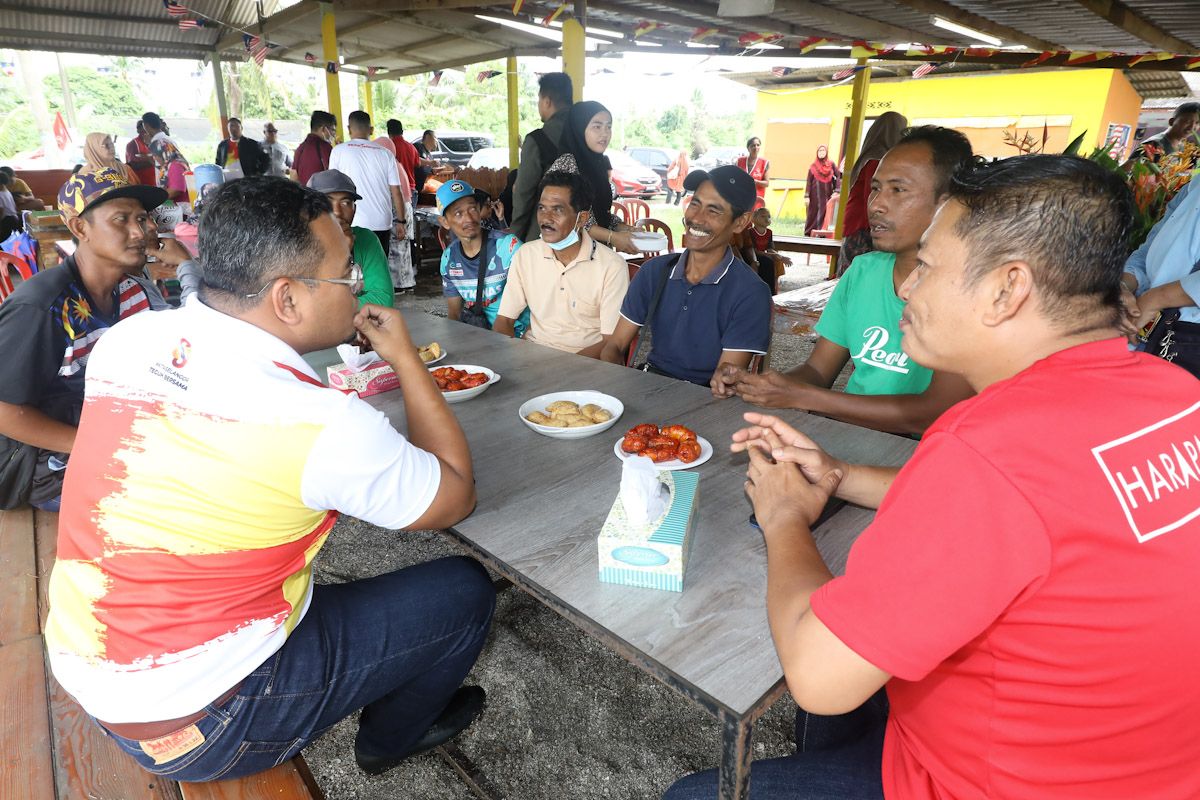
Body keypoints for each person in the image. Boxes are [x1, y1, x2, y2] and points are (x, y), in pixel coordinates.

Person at [665, 154, 1200, 800]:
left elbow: (815, 674)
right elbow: (1041, 517)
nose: (908, 287)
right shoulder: (1176, 395)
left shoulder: (987, 452)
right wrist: (839, 474)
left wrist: (783, 516)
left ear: (1008, 289)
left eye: (930, 266)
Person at [44, 176, 494, 783]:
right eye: (345, 275)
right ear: (287, 299)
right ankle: (392, 738)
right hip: (205, 724)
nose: (357, 285)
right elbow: (455, 494)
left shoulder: (131, 340)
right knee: (465, 591)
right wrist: (407, 360)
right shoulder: (323, 422)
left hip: (87, 663)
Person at [718, 127, 976, 437]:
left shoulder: (971, 289)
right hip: (848, 435)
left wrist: (805, 397)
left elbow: (930, 414)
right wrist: (768, 386)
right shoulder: (863, 271)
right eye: (876, 189)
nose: (876, 204)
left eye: (898, 190)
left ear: (949, 204)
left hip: (918, 455)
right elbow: (817, 370)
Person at [0, 169, 184, 511]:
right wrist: (97, 445)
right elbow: (5, 412)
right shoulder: (44, 307)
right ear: (79, 228)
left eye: (142, 219)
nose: (139, 232)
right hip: (33, 461)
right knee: (169, 495)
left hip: (101, 427)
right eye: (121, 219)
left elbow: (182, 350)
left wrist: (188, 269)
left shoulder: (135, 292)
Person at [599, 166, 772, 389]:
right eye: (695, 204)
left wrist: (726, 381)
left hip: (704, 397)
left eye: (714, 210)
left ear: (740, 222)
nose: (696, 218)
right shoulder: (654, 272)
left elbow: (725, 377)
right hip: (648, 384)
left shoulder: (750, 292)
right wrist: (616, 381)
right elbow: (615, 345)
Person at [495, 163, 627, 357]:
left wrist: (564, 369)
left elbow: (611, 342)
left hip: (585, 365)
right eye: (542, 208)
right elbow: (504, 321)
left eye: (557, 210)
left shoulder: (612, 267)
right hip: (533, 357)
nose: (545, 219)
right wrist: (511, 361)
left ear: (581, 219)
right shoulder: (526, 255)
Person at [1122, 178, 1200, 376]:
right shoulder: (1194, 186)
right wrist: (1125, 285)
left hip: (1187, 343)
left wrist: (1157, 298)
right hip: (1145, 333)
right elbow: (1149, 251)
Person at [437, 179, 526, 336]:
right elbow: (454, 314)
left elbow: (538, 302)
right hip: (483, 339)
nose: (469, 219)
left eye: (472, 209)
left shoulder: (509, 247)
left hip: (521, 336)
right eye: (458, 213)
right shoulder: (449, 260)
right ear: (445, 222)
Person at [560, 101, 646, 255]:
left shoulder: (597, 164)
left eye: (609, 127)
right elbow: (573, 219)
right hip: (572, 256)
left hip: (598, 254)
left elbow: (600, 213)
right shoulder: (567, 164)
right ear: (580, 128)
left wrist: (625, 229)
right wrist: (613, 237)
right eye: (597, 126)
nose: (605, 133)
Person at [306, 169, 394, 308]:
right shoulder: (296, 243)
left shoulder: (366, 239)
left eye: (345, 203)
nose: (337, 211)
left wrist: (332, 308)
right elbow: (305, 306)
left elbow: (383, 298)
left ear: (355, 209)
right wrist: (340, 253)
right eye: (326, 202)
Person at [838, 111, 908, 276]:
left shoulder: (870, 154)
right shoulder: (878, 159)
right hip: (866, 228)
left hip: (860, 226)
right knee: (861, 278)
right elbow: (875, 200)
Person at [330, 110, 406, 255]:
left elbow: (333, 189)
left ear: (348, 129)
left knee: (351, 269)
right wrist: (401, 222)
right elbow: (397, 191)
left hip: (350, 222)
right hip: (381, 222)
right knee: (379, 266)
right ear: (371, 129)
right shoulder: (386, 154)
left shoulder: (338, 151)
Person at [510, 72, 572, 243]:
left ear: (547, 101)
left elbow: (524, 194)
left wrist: (515, 237)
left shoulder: (537, 140)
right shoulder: (589, 135)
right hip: (585, 235)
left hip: (545, 235)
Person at [737, 207, 791, 295]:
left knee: (776, 261)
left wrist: (780, 256)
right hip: (753, 254)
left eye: (768, 217)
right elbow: (753, 250)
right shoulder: (751, 232)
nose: (767, 219)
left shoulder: (769, 232)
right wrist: (773, 255)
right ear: (753, 219)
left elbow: (770, 248)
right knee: (768, 262)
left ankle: (772, 291)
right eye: (763, 216)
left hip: (763, 254)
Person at [1129, 101, 1199, 163]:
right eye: (1187, 121)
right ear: (1171, 122)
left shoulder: (1183, 148)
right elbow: (1126, 171)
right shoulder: (1153, 145)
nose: (1192, 127)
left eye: (1197, 123)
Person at [142, 112, 190, 203]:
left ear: (164, 153)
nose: (155, 159)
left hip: (181, 207)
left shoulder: (175, 165)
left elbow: (176, 189)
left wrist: (156, 200)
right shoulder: (169, 157)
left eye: (155, 156)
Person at [294, 110, 337, 186]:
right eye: (332, 130)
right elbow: (335, 174)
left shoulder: (300, 148)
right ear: (323, 129)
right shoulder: (325, 147)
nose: (334, 134)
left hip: (305, 194)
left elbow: (293, 175)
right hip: (323, 194)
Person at [804, 145, 839, 235]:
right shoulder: (813, 166)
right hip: (814, 194)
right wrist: (806, 196)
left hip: (827, 193)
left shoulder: (831, 164)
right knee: (813, 213)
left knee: (825, 212)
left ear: (826, 152)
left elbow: (838, 176)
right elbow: (809, 181)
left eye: (823, 150)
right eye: (819, 151)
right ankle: (809, 232)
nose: (821, 152)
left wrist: (837, 190)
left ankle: (821, 233)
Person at [386, 119, 421, 204]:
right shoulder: (411, 147)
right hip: (410, 190)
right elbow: (418, 164)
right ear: (402, 131)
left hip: (394, 190)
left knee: (395, 217)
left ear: (388, 132)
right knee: (409, 216)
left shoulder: (387, 148)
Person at [736, 137, 769, 210]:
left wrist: (755, 182)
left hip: (757, 199)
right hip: (741, 197)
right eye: (753, 145)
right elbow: (734, 179)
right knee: (742, 219)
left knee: (754, 219)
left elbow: (766, 183)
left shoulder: (764, 162)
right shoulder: (739, 161)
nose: (756, 147)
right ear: (748, 148)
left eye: (758, 145)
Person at [124, 119, 157, 186]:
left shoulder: (153, 142)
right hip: (141, 183)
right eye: (144, 128)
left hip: (154, 182)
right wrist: (152, 161)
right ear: (138, 130)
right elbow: (131, 165)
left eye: (148, 128)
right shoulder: (133, 144)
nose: (146, 130)